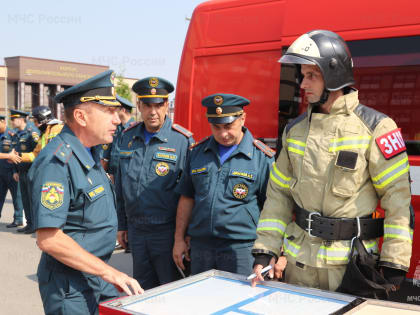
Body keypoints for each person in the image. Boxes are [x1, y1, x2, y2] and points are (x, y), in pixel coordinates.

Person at [251, 30, 413, 292]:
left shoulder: (376, 128)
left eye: (311, 76)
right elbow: (278, 195)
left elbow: (398, 200)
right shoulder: (294, 130)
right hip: (299, 264)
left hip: (350, 268)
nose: (303, 84)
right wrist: (265, 250)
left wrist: (394, 263)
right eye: (303, 75)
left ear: (335, 75)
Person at [28, 70, 143, 315]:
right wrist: (110, 272)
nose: (117, 120)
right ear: (81, 116)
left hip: (93, 273)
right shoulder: (57, 162)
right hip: (70, 285)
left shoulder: (91, 152)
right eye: (109, 112)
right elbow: (49, 239)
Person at [173, 93, 274, 276]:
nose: (222, 134)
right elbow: (187, 198)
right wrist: (179, 239)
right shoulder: (197, 153)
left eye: (228, 126)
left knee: (240, 301)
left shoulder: (262, 158)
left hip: (241, 249)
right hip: (201, 247)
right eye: (216, 127)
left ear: (242, 118)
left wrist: (270, 253)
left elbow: (273, 208)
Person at [115, 76, 194, 290]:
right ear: (139, 106)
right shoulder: (127, 138)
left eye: (158, 105)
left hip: (166, 232)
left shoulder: (182, 141)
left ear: (167, 105)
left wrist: (184, 236)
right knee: (143, 291)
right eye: (147, 105)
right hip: (136, 231)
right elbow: (121, 185)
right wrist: (122, 224)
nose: (153, 111)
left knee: (171, 292)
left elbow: (192, 194)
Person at [10, 109, 40, 234]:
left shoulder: (32, 132)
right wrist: (15, 171)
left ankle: (36, 225)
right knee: (25, 199)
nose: (11, 122)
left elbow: (38, 153)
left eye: (13, 119)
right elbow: (15, 153)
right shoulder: (17, 134)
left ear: (21, 119)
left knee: (33, 199)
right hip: (21, 171)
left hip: (31, 171)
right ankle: (29, 223)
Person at [100, 94, 135, 184]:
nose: (114, 111)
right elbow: (106, 154)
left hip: (125, 179)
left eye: (116, 109)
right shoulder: (115, 127)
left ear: (123, 110)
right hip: (110, 176)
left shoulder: (136, 130)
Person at [0, 115, 24, 227]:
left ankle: (18, 219)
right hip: (0, 171)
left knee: (16, 196)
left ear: (3, 122)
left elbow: (16, 153)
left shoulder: (12, 135)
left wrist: (16, 170)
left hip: (10, 171)